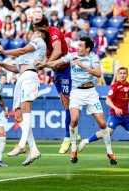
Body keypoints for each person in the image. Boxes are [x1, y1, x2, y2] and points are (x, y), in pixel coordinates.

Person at [35, 36, 116, 164]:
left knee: (102, 123)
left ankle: (109, 151)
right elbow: (56, 63)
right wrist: (44, 64)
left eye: (80, 46)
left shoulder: (93, 57)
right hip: (76, 93)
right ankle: (73, 150)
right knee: (74, 120)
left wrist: (82, 66)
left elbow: (98, 73)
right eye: (77, 45)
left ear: (87, 49)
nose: (77, 48)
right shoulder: (72, 56)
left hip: (91, 93)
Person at [79, 67, 129, 162]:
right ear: (118, 74)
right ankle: (86, 141)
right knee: (108, 132)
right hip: (115, 116)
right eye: (121, 73)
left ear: (127, 74)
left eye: (124, 73)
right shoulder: (115, 86)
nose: (122, 75)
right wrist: (116, 108)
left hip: (126, 116)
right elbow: (107, 100)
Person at [0, 29, 49, 166]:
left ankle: (22, 144)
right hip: (22, 77)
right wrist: (2, 65)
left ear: (39, 35)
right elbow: (17, 68)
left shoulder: (38, 41)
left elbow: (22, 50)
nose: (31, 35)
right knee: (18, 116)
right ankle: (34, 149)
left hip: (30, 76)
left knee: (25, 109)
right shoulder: (30, 52)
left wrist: (5, 52)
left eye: (33, 33)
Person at [33, 14, 79, 154]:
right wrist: (46, 62)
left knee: (68, 102)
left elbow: (58, 51)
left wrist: (46, 64)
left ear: (45, 27)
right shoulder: (42, 36)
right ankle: (74, 133)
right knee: (65, 104)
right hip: (57, 71)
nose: (36, 32)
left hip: (66, 70)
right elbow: (46, 53)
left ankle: (68, 137)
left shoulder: (54, 33)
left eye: (37, 29)